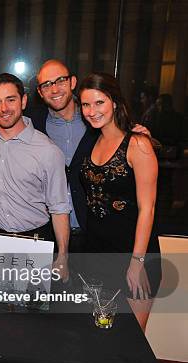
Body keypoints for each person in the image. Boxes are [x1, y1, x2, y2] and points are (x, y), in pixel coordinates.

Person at [31, 59, 152, 253]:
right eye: (46, 84)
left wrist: (141, 139)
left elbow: (145, 201)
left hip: (96, 232)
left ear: (72, 82)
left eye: (60, 80)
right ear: (39, 92)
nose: (54, 89)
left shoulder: (97, 124)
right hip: (52, 233)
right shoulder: (33, 123)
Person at [79, 72, 161, 331]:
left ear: (114, 102)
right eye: (86, 105)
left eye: (99, 102)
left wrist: (137, 263)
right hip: (96, 254)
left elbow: (148, 209)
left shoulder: (138, 144)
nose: (92, 111)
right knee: (99, 337)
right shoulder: (92, 140)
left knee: (131, 344)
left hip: (133, 255)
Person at [0, 73, 71, 280]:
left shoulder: (48, 151)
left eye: (11, 100)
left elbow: (59, 208)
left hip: (35, 241)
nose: (4, 109)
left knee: (30, 311)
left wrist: (63, 257)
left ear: (23, 101)